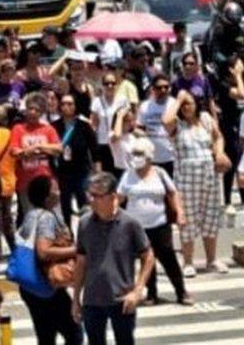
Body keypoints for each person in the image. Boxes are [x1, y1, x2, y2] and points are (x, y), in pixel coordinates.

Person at [71, 171, 154, 345]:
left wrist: (137, 290)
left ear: (112, 197)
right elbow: (81, 262)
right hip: (92, 300)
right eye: (90, 195)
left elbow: (148, 256)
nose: (92, 200)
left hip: (121, 300)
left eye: (97, 196)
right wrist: (76, 299)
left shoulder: (130, 223)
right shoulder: (84, 223)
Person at [117, 137, 190, 306]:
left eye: (140, 153)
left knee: (168, 258)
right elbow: (119, 197)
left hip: (159, 224)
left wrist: (180, 213)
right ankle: (152, 293)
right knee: (145, 259)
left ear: (149, 155)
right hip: (136, 227)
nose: (136, 156)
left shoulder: (160, 173)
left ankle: (181, 291)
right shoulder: (128, 175)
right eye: (134, 153)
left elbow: (172, 194)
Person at [162, 90, 228, 275]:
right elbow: (166, 121)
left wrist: (220, 152)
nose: (185, 107)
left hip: (209, 175)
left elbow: (218, 136)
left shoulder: (206, 119)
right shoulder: (177, 124)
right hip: (186, 179)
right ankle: (188, 262)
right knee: (188, 219)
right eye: (183, 105)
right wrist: (179, 99)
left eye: (188, 103)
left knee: (210, 217)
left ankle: (212, 259)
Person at [16, 175, 83, 345]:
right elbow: (44, 252)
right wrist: (77, 250)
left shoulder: (31, 215)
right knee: (74, 332)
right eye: (55, 189)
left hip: (30, 286)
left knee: (46, 335)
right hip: (45, 284)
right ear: (47, 197)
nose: (59, 192)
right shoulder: (46, 218)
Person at [9, 93, 61, 222]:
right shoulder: (18, 129)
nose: (32, 112)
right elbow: (14, 151)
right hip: (25, 181)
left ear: (42, 112)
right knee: (31, 218)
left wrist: (40, 146)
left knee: (55, 217)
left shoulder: (48, 129)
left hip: (46, 180)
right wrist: (29, 151)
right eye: (30, 109)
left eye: (37, 110)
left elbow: (58, 149)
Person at [51, 94, 96, 228]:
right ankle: (68, 233)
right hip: (62, 172)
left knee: (84, 203)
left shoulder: (84, 126)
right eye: (64, 103)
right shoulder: (54, 126)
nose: (66, 107)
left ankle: (87, 232)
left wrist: (97, 170)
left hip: (82, 171)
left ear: (75, 106)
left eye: (70, 104)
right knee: (65, 204)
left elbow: (94, 148)